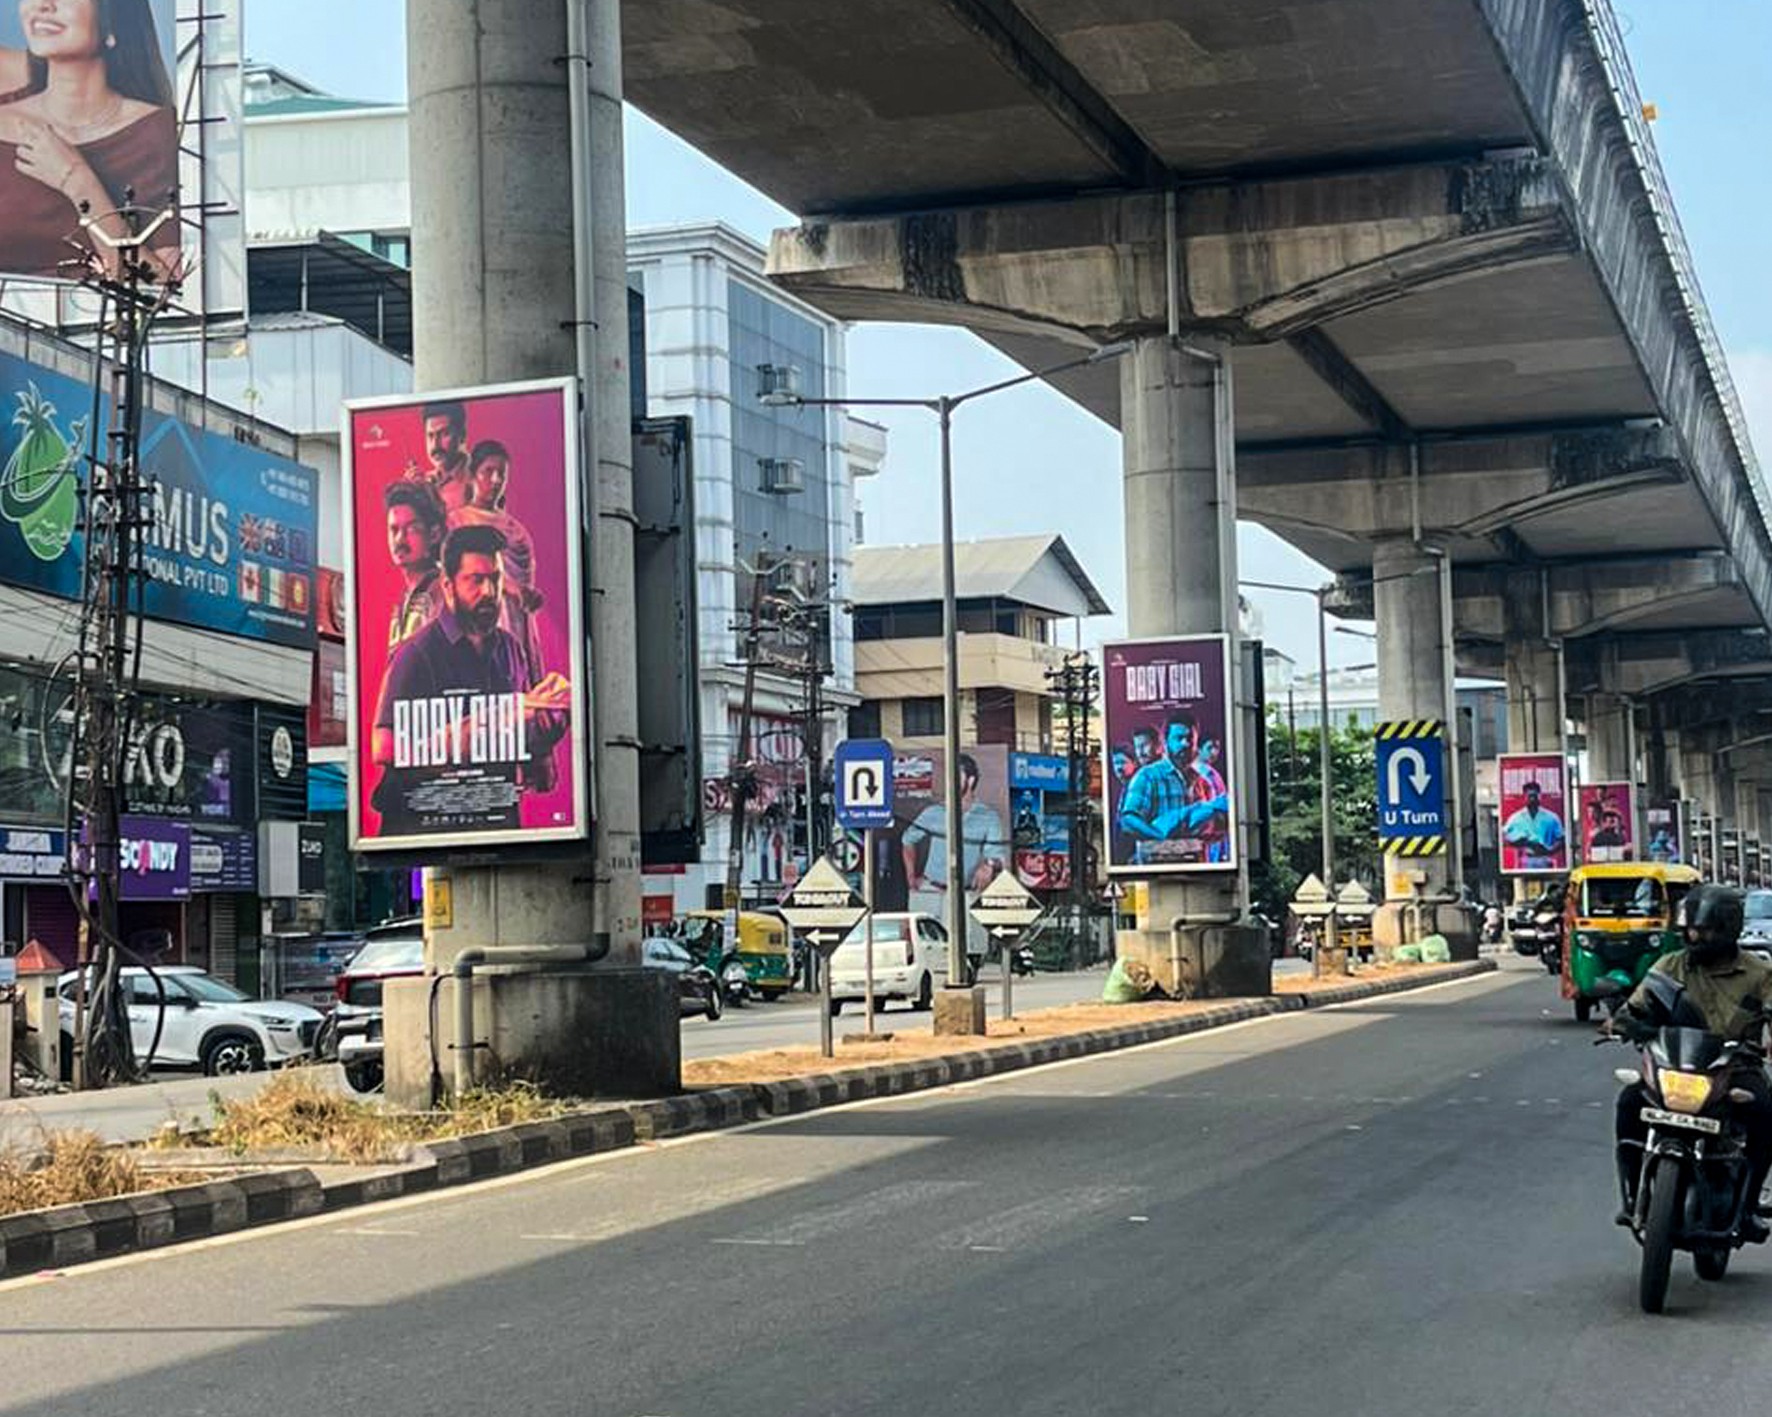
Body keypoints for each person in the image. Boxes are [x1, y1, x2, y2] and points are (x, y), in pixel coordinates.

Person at [370, 524, 571, 835]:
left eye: (495, 579)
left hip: (496, 827)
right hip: (427, 834)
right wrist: (465, 736)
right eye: (476, 580)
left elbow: (518, 739)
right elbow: (383, 748)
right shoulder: (416, 653)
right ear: (448, 585)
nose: (489, 592)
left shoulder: (510, 648)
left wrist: (547, 721)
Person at [1609, 884, 1772, 1239]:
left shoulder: (1759, 973)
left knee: (1764, 1111)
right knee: (1629, 1103)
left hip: (1734, 1069)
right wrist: (1624, 1023)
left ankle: (1747, 1207)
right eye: (1689, 929)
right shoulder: (1670, 965)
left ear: (1727, 928)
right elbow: (1636, 1005)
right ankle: (1636, 1195)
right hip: (1675, 1066)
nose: (1693, 937)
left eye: (1703, 930)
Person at [0, 0, 178, 279]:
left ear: (113, 19)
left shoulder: (160, 135)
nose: (43, 5)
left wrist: (78, 182)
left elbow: (162, 289)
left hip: (114, 308)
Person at [901, 752, 1010, 921]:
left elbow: (998, 857)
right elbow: (907, 840)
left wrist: (988, 865)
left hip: (965, 895)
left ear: (971, 780)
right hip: (930, 891)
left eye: (956, 777)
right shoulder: (934, 812)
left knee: (966, 936)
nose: (950, 783)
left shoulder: (988, 817)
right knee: (921, 936)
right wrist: (910, 876)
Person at [1118, 716, 1228, 865]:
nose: (1185, 744)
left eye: (1190, 739)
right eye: (1179, 738)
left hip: (1196, 868)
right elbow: (1129, 820)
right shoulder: (1148, 776)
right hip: (1157, 869)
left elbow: (1209, 828)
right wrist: (1161, 838)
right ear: (1165, 742)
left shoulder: (1203, 782)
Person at [382, 481, 447, 650]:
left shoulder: (444, 590)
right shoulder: (402, 601)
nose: (399, 540)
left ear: (434, 534)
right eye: (394, 530)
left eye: (412, 529)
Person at [409, 400, 474, 511]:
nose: (435, 445)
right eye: (430, 435)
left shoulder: (479, 479)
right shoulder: (424, 484)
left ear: (462, 435)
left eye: (444, 434)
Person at [1502, 780, 1565, 871]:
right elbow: (1504, 837)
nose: (1532, 799)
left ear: (1540, 796)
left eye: (1534, 795)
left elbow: (1561, 839)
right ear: (1524, 797)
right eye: (1529, 796)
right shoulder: (1515, 818)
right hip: (1525, 860)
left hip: (1545, 859)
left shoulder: (1552, 818)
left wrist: (1550, 850)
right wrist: (1520, 842)